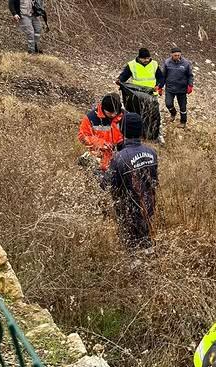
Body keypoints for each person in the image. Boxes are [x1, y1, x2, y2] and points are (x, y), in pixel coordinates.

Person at [103, 112, 158, 249]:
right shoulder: (152, 153)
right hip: (149, 207)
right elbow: (155, 182)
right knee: (146, 239)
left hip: (128, 212)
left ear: (122, 129)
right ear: (141, 130)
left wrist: (95, 171)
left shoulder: (119, 158)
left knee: (131, 246)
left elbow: (107, 184)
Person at [116, 48, 164, 142]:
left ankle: (154, 134)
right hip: (137, 95)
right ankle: (138, 134)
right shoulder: (132, 65)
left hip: (151, 95)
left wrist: (159, 86)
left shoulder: (154, 64)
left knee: (154, 115)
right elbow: (124, 76)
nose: (146, 60)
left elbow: (161, 77)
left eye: (148, 58)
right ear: (139, 57)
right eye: (144, 58)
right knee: (138, 115)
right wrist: (120, 81)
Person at [78, 93, 124, 173]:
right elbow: (82, 136)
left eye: (115, 112)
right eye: (110, 112)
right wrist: (100, 143)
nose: (113, 115)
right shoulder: (91, 118)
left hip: (121, 156)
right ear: (103, 108)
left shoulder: (125, 116)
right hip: (100, 156)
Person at [162, 46, 194, 128]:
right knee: (168, 104)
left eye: (179, 55)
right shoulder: (167, 63)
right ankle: (173, 113)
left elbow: (190, 75)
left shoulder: (186, 63)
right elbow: (163, 76)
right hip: (170, 88)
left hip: (182, 89)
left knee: (183, 107)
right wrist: (160, 86)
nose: (177, 57)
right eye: (175, 55)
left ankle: (183, 122)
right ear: (171, 54)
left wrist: (190, 85)